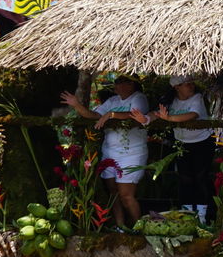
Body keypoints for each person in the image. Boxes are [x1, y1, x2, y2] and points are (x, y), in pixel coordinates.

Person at [61, 74, 150, 228]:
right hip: (110, 152)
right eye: (118, 82)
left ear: (133, 85)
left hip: (132, 153)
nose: (119, 85)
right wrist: (76, 105)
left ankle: (139, 229)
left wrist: (111, 114)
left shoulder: (139, 98)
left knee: (126, 195)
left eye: (125, 82)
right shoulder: (113, 101)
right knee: (113, 193)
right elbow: (94, 115)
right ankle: (120, 226)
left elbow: (134, 116)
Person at [143, 75, 214, 221]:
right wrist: (146, 119)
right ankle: (187, 215)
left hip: (202, 142)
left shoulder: (197, 98)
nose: (191, 86)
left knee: (200, 178)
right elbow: (156, 113)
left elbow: (192, 115)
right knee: (185, 179)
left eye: (192, 83)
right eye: (187, 84)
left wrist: (169, 119)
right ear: (177, 87)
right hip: (182, 143)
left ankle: (202, 216)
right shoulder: (170, 101)